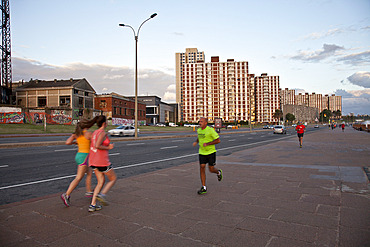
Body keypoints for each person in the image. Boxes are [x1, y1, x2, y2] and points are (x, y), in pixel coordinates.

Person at [61, 118, 96, 207]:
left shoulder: (77, 134)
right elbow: (95, 143)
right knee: (78, 177)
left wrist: (75, 142)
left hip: (79, 155)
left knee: (89, 173)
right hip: (84, 157)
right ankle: (67, 194)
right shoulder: (88, 134)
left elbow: (67, 142)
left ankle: (89, 191)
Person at [88, 115, 117, 212]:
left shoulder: (95, 132)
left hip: (93, 161)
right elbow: (97, 145)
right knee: (113, 179)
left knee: (100, 182)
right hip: (102, 161)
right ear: (104, 123)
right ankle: (102, 194)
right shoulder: (102, 133)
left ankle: (93, 205)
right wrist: (109, 147)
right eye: (107, 121)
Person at [192, 117, 222, 195]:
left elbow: (218, 140)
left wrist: (208, 144)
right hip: (202, 152)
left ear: (206, 123)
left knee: (211, 169)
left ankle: (218, 172)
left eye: (201, 121)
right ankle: (204, 187)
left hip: (211, 152)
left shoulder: (210, 130)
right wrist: (196, 142)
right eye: (199, 121)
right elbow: (199, 137)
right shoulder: (199, 130)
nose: (199, 123)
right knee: (202, 167)